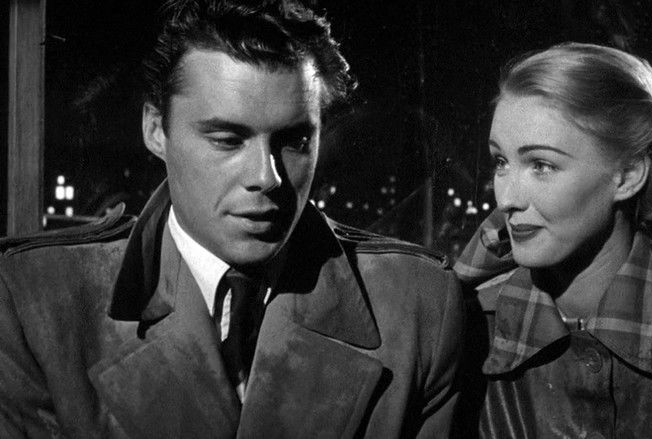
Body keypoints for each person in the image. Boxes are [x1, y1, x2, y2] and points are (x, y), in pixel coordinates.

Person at [0, 1, 462, 437]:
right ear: (156, 130)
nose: (267, 177)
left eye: (295, 141)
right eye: (227, 139)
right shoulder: (33, 302)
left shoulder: (418, 308)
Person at [453, 42, 652, 438]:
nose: (506, 199)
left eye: (541, 165)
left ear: (627, 176)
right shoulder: (467, 332)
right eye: (501, 162)